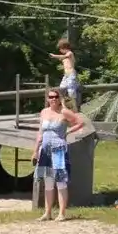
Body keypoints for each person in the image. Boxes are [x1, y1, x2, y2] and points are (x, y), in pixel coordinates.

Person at [31, 89, 88, 223]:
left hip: (59, 149)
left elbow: (80, 122)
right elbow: (40, 132)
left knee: (60, 181)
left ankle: (62, 213)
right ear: (47, 99)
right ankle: (47, 212)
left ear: (59, 98)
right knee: (48, 181)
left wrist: (68, 131)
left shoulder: (64, 112)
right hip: (45, 149)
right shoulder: (44, 112)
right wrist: (35, 150)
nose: (53, 99)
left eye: (56, 97)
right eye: (51, 97)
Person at [53, 37, 80, 107]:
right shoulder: (64, 57)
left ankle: (74, 107)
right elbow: (62, 58)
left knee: (71, 92)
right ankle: (63, 106)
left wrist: (54, 56)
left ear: (64, 47)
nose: (60, 50)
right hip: (66, 75)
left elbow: (65, 56)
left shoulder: (70, 53)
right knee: (61, 89)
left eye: (60, 48)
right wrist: (58, 57)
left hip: (71, 74)